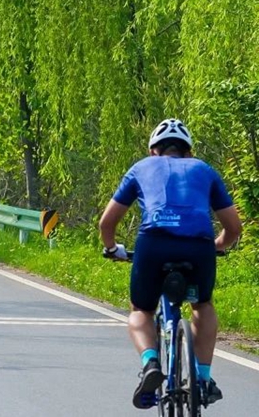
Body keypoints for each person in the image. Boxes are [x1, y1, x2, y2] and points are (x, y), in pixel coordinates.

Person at [99, 118, 242, 409]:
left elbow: (107, 223)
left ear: (153, 150)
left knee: (141, 310)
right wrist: (217, 246)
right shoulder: (204, 169)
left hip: (154, 243)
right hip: (198, 245)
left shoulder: (141, 167)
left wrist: (113, 248)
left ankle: (151, 363)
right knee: (202, 305)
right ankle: (202, 378)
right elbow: (234, 228)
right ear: (188, 153)